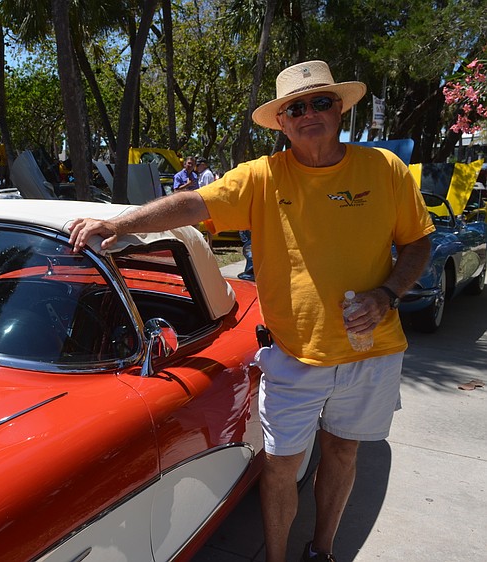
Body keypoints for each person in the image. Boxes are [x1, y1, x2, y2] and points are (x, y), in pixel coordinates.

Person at [69, 60, 433, 562]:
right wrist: (120, 222)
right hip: (292, 354)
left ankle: (321, 550)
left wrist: (387, 294)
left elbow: (417, 243)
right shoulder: (262, 177)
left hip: (370, 351)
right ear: (282, 121)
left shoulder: (383, 169)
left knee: (344, 452)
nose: (309, 113)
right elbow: (193, 203)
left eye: (320, 102)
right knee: (282, 466)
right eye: (295, 107)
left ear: (341, 108)